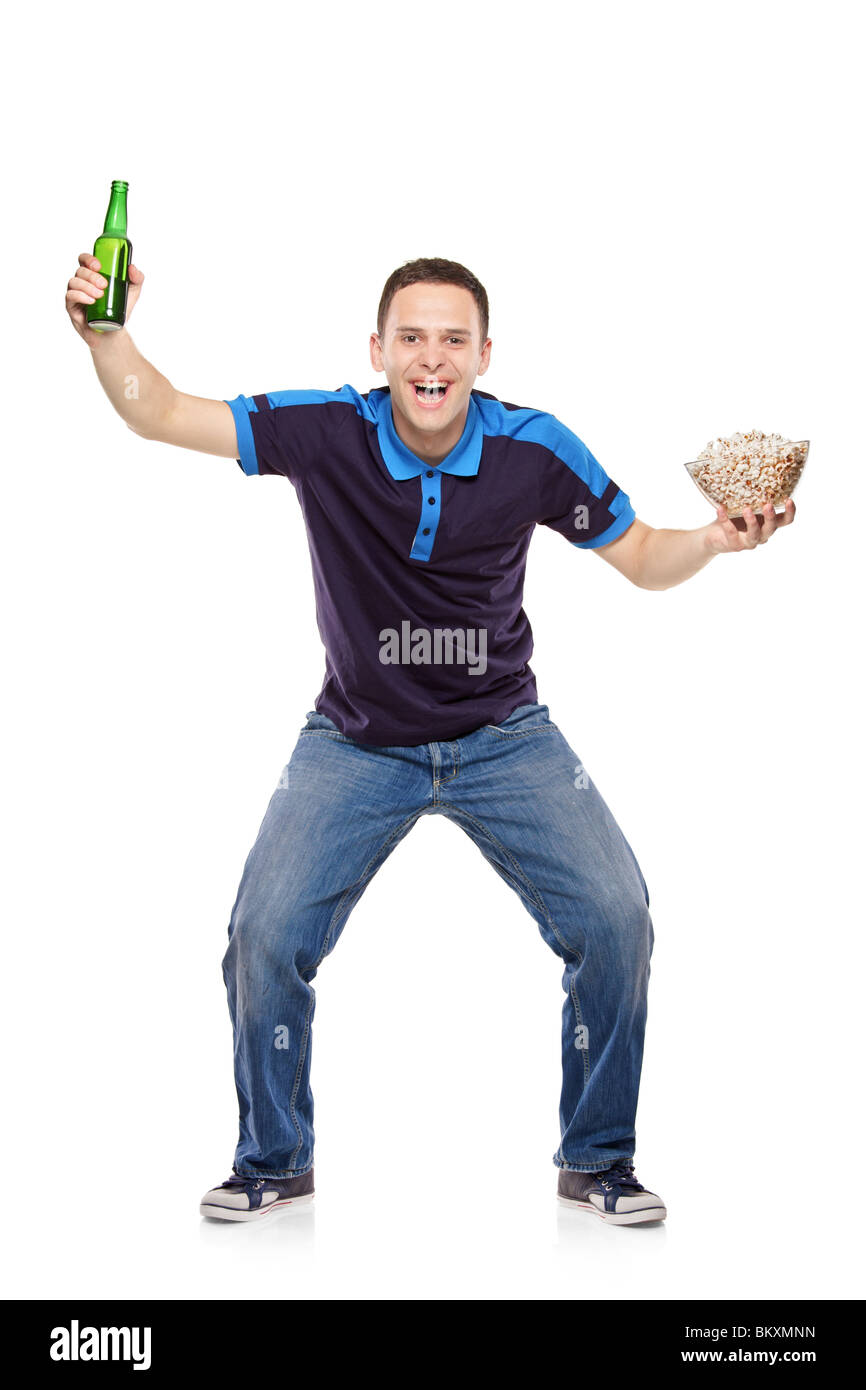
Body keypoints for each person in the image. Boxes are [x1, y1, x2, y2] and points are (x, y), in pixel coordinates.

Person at [66, 251, 796, 1226]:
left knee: (617, 917)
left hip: (502, 735)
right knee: (263, 937)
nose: (431, 357)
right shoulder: (326, 430)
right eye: (410, 336)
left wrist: (711, 538)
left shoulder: (534, 450)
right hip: (355, 738)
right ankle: (274, 1158)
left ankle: (597, 1158)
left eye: (453, 338)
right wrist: (106, 334)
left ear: (483, 354)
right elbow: (155, 410)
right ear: (377, 350)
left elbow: (642, 556)